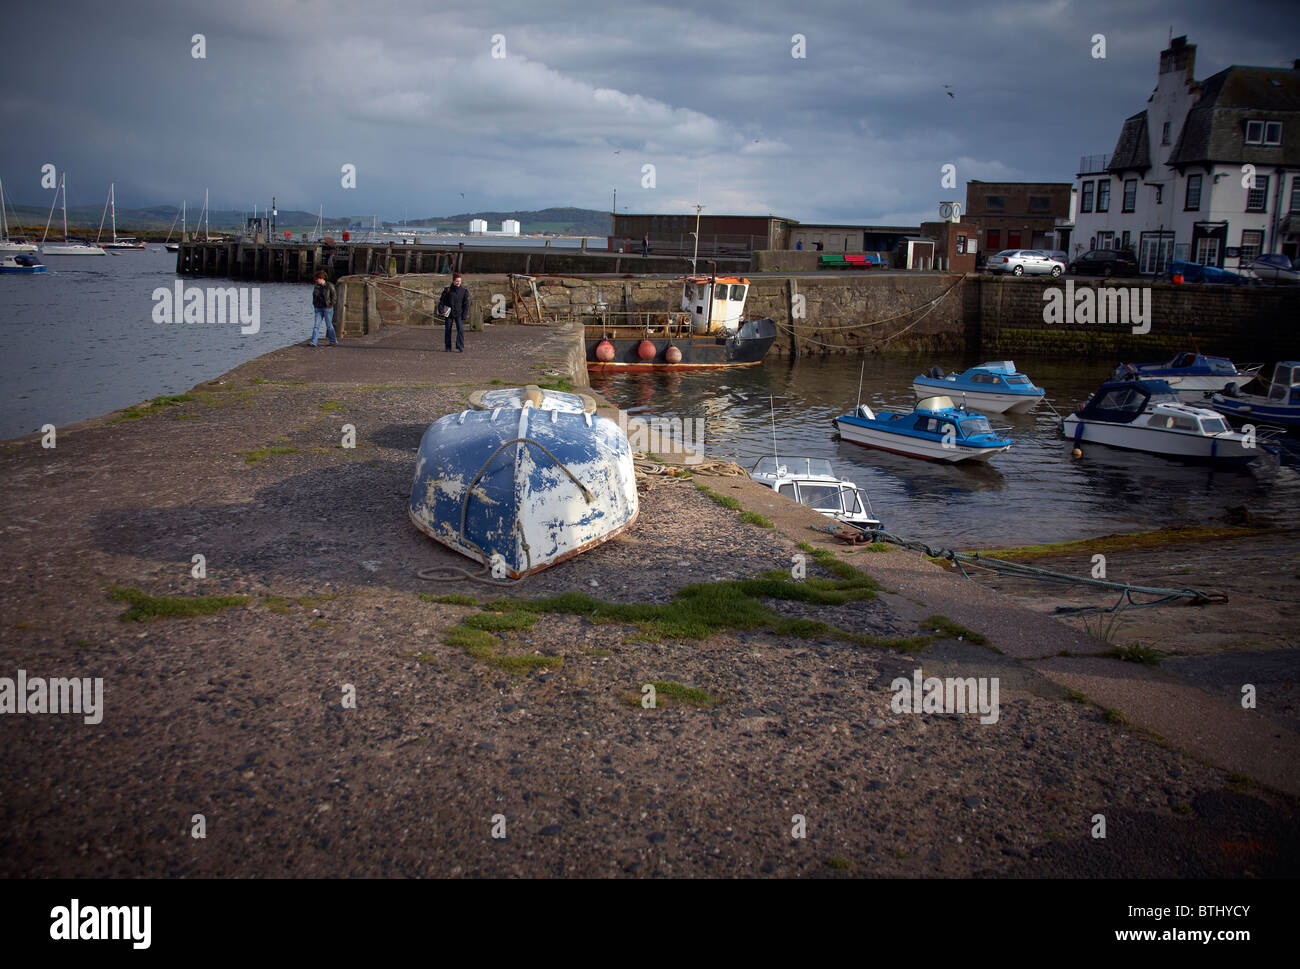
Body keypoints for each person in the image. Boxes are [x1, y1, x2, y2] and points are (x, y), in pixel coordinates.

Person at [438, 273, 470, 352]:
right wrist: (441, 310)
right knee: (448, 330)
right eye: (456, 281)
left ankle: (460, 346)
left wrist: (464, 315)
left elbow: (466, 304)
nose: (458, 283)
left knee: (461, 330)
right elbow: (441, 302)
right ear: (453, 281)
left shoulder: (464, 291)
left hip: (458, 313)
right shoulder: (448, 290)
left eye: (459, 281)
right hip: (449, 313)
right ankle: (448, 347)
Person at [310, 270, 338, 347]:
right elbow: (314, 296)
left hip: (327, 308)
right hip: (318, 308)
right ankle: (314, 342)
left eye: (317, 279)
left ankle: (333, 340)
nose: (316, 280)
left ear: (321, 278)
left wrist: (330, 305)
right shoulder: (316, 286)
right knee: (316, 326)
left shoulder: (330, 286)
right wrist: (314, 304)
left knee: (329, 325)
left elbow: (334, 297)